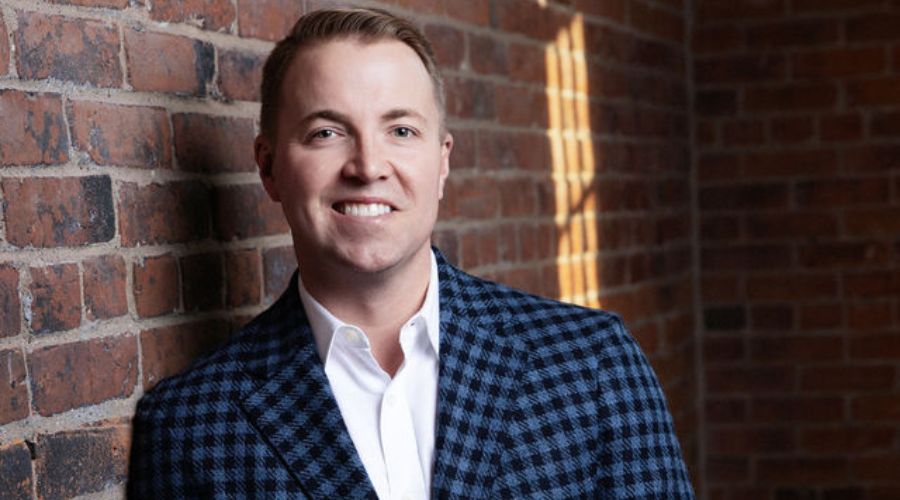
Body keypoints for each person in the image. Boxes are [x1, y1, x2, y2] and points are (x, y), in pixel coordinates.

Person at [128, 7, 694, 499]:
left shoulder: (590, 365)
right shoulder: (189, 426)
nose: (368, 165)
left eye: (400, 130)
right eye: (327, 132)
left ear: (442, 161)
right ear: (269, 167)